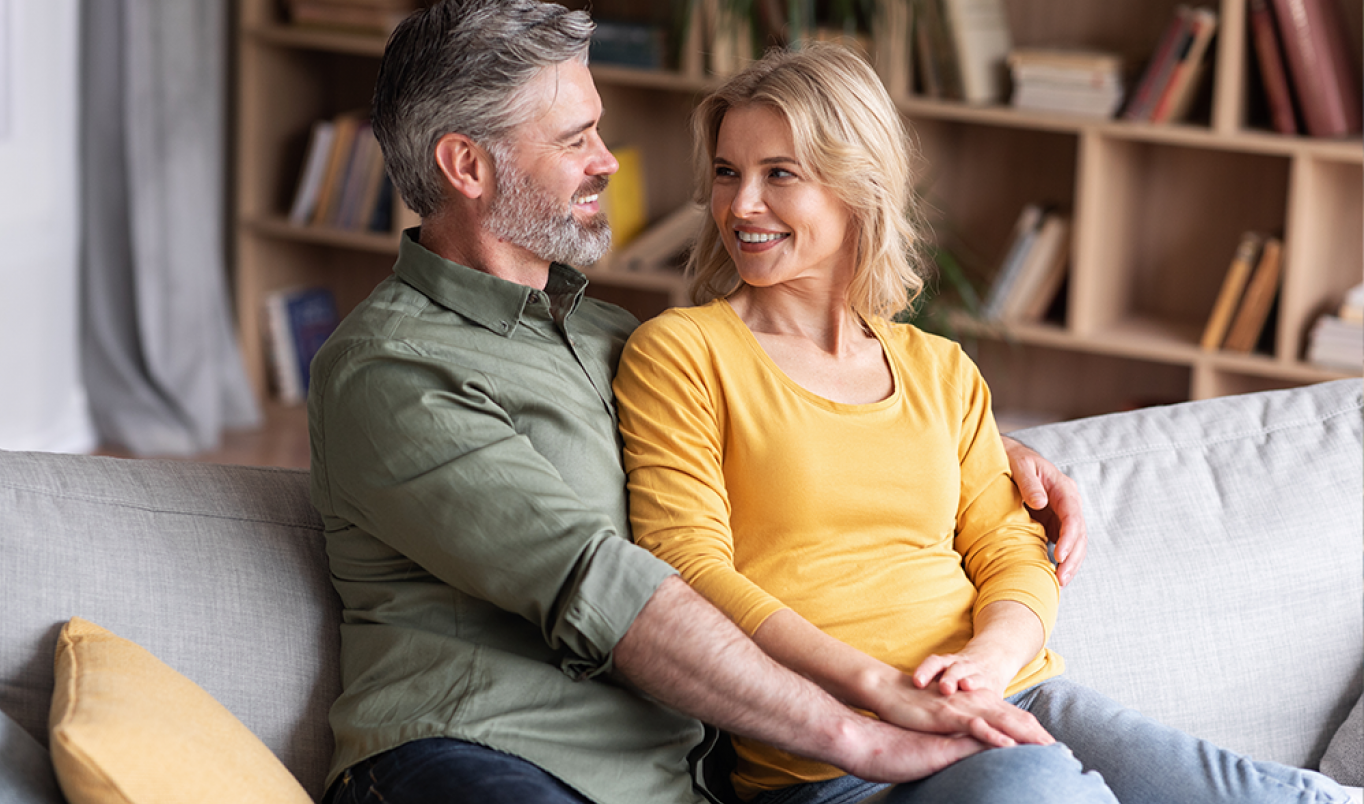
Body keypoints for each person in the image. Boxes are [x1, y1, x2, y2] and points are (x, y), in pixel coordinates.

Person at [307, 3, 1097, 803]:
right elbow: (599, 584)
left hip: (672, 779)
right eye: (574, 138)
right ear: (467, 167)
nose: (608, 162)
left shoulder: (612, 338)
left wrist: (994, 456)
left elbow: (772, 427)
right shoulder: (392, 369)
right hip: (474, 754)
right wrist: (857, 729)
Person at [611, 42, 1351, 804]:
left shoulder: (940, 369)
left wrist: (988, 664)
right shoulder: (683, 352)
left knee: (1287, 799)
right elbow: (688, 568)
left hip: (1013, 697)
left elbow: (1009, 548)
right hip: (838, 762)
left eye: (779, 175)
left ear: (858, 186)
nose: (741, 206)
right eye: (728, 173)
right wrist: (883, 687)